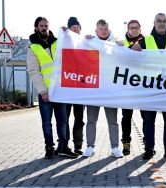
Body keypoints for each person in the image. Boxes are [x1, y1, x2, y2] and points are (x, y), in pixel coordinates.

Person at [131, 13, 166, 160]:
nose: (161, 23)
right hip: (150, 87)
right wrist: (133, 49)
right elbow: (131, 55)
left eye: (164, 21)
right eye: (159, 21)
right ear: (154, 23)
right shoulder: (146, 40)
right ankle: (149, 149)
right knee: (148, 120)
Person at [26, 16, 77, 159]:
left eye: (46, 26)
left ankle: (63, 147)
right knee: (47, 123)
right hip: (46, 92)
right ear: (36, 27)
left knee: (62, 122)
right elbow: (34, 72)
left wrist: (69, 33)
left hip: (60, 91)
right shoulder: (33, 48)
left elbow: (73, 46)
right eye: (41, 26)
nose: (44, 28)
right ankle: (49, 147)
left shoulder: (57, 42)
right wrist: (42, 91)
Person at [82, 20, 123, 158]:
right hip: (93, 88)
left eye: (105, 28)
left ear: (108, 29)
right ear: (96, 29)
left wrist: (122, 47)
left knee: (112, 121)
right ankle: (89, 147)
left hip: (110, 89)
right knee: (91, 120)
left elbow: (124, 58)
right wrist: (83, 40)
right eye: (101, 29)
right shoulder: (90, 42)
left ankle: (115, 147)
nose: (104, 31)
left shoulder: (116, 43)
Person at [116, 19, 144, 155]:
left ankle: (147, 143)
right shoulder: (121, 43)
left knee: (146, 116)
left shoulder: (146, 41)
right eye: (131, 28)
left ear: (140, 29)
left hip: (144, 85)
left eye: (136, 28)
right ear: (128, 29)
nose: (134, 30)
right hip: (127, 86)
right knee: (126, 117)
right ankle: (126, 143)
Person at [64, 16, 86, 155]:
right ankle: (64, 144)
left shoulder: (85, 43)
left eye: (77, 28)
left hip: (80, 90)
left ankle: (78, 145)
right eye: (73, 28)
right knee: (64, 119)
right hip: (66, 89)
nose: (75, 30)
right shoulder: (63, 43)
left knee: (79, 119)